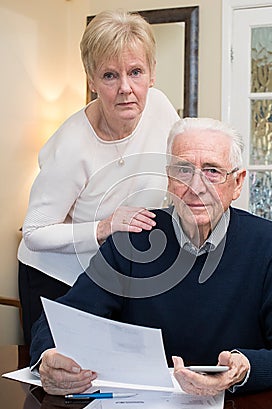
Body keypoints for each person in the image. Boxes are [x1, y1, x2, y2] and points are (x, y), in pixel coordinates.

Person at [30, 117, 272, 396]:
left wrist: (245, 368)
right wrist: (47, 358)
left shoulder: (270, 246)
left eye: (212, 171)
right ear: (169, 179)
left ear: (237, 183)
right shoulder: (134, 238)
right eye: (183, 170)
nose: (196, 186)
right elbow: (62, 318)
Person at [18, 10, 179, 345]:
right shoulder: (72, 146)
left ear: (151, 74)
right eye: (109, 75)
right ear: (91, 81)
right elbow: (34, 232)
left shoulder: (161, 108)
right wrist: (103, 227)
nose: (126, 89)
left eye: (136, 72)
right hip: (55, 275)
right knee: (58, 378)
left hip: (113, 271)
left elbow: (175, 170)